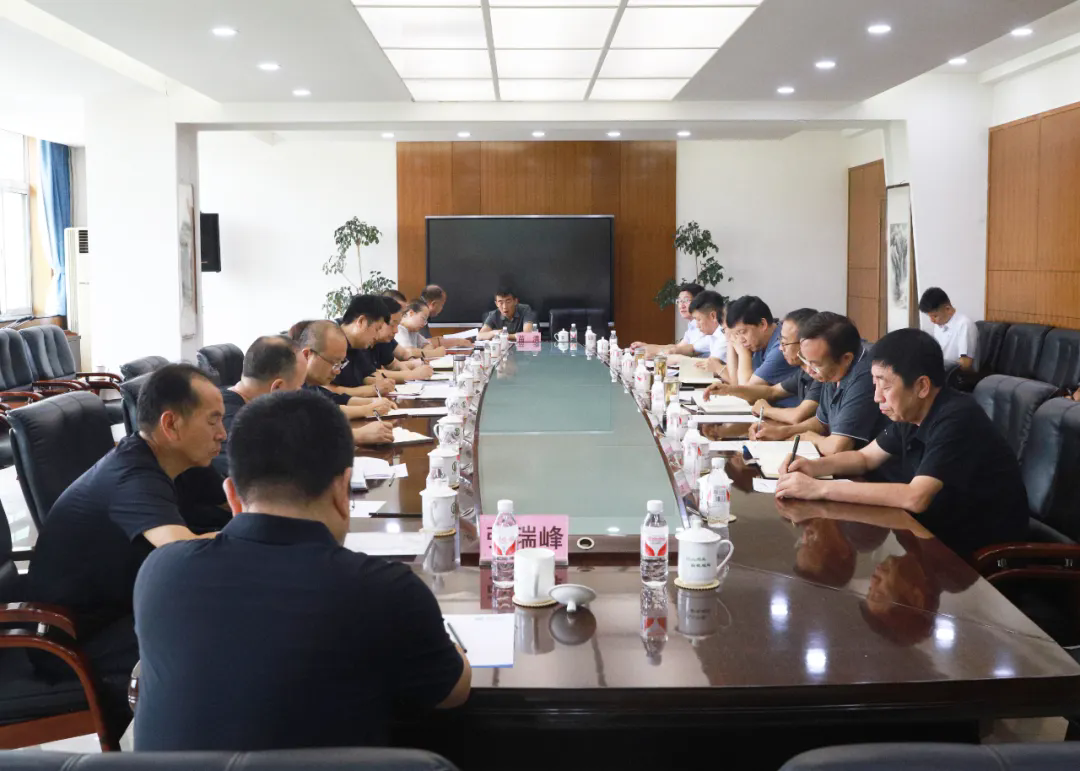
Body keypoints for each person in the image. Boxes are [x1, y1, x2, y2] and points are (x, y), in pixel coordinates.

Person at [133, 390, 470, 751]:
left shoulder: (160, 572)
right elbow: (453, 691)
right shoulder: (384, 591)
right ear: (342, 489)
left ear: (232, 495)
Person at [27, 364, 224, 740]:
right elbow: (188, 557)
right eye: (213, 420)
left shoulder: (180, 459)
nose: (223, 433)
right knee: (220, 638)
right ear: (171, 424)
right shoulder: (132, 476)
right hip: (72, 641)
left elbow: (239, 506)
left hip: (121, 609)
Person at [775, 328, 1029, 559]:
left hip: (977, 557)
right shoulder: (912, 413)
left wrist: (818, 489)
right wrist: (812, 467)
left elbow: (915, 497)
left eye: (885, 385)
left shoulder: (957, 418)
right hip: (931, 538)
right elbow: (864, 458)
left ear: (921, 386)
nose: (877, 397)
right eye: (874, 384)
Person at [175, 336, 307, 531]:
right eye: (297, 390)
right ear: (277, 388)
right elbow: (251, 488)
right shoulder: (231, 422)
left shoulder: (250, 411)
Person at [750, 312, 888, 454]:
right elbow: (822, 422)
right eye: (805, 360)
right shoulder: (832, 370)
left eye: (815, 364)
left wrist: (810, 438)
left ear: (846, 358)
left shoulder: (865, 376)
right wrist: (782, 431)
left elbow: (837, 447)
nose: (809, 370)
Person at [704, 308, 820, 420]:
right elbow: (772, 392)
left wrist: (766, 410)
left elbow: (797, 416)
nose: (781, 348)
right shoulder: (803, 372)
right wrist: (729, 390)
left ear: (805, 344)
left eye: (785, 343)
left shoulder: (820, 375)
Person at [297, 320, 396, 445]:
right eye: (334, 363)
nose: (338, 371)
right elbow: (301, 431)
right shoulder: (288, 386)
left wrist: (371, 404)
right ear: (307, 355)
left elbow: (330, 402)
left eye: (340, 363)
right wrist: (357, 435)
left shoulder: (311, 384)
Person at [724, 295, 800, 389]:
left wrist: (743, 354)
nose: (740, 340)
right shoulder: (758, 342)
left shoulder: (782, 347)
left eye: (743, 332)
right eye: (736, 334)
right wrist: (730, 342)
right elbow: (734, 383)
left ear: (763, 324)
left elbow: (746, 391)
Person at [330, 295, 396, 398]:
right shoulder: (329, 342)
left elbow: (368, 373)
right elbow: (326, 390)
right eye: (377, 329)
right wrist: (373, 390)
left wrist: (379, 382)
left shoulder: (358, 345)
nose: (376, 336)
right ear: (361, 321)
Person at [629, 283, 712, 358]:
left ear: (699, 302)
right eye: (679, 301)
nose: (681, 305)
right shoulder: (692, 326)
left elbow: (690, 351)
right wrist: (646, 345)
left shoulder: (706, 326)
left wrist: (654, 351)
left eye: (686, 300)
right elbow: (678, 347)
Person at [367, 297, 435, 381]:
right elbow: (370, 374)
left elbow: (394, 364)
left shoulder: (382, 341)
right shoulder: (361, 344)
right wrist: (412, 375)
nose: (396, 331)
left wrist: (413, 374)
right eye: (392, 325)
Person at [918, 287, 978, 372]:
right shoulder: (940, 323)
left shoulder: (964, 324)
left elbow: (965, 363)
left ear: (948, 309)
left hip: (957, 375)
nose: (932, 321)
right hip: (942, 370)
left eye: (935, 316)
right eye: (930, 316)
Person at [685, 290, 729, 377]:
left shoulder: (725, 335)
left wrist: (678, 359)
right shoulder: (712, 334)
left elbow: (710, 365)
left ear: (713, 316)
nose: (697, 325)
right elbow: (693, 348)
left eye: (698, 320)